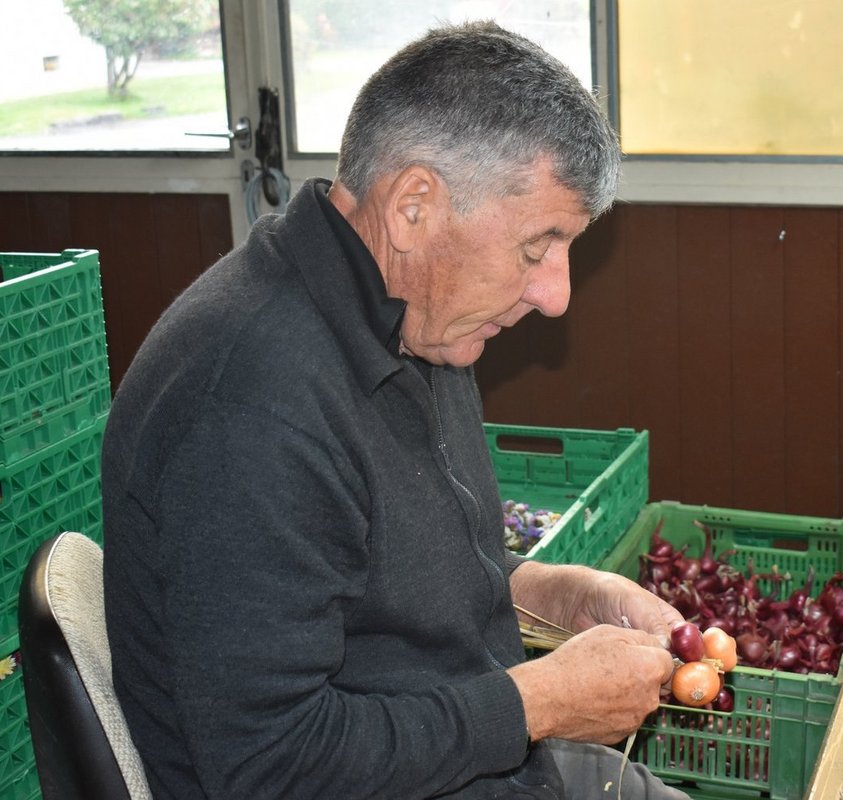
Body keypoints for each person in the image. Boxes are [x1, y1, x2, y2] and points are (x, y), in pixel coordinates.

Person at [102, 20, 692, 799]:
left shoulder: (414, 314)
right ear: (415, 205)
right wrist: (540, 702)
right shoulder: (250, 407)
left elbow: (374, 578)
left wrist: (547, 592)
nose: (556, 294)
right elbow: (269, 769)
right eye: (536, 247)